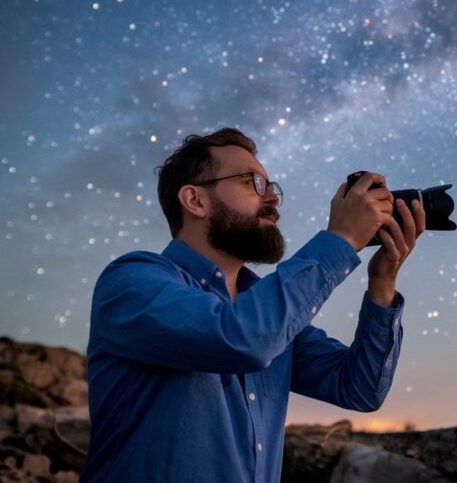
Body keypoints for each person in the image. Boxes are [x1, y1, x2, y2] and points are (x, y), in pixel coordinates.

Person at [80, 127, 425, 482]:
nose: (273, 199)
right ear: (195, 200)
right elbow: (242, 337)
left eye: (272, 187)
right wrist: (341, 240)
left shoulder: (268, 312)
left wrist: (382, 282)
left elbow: (360, 389)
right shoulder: (131, 282)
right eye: (252, 183)